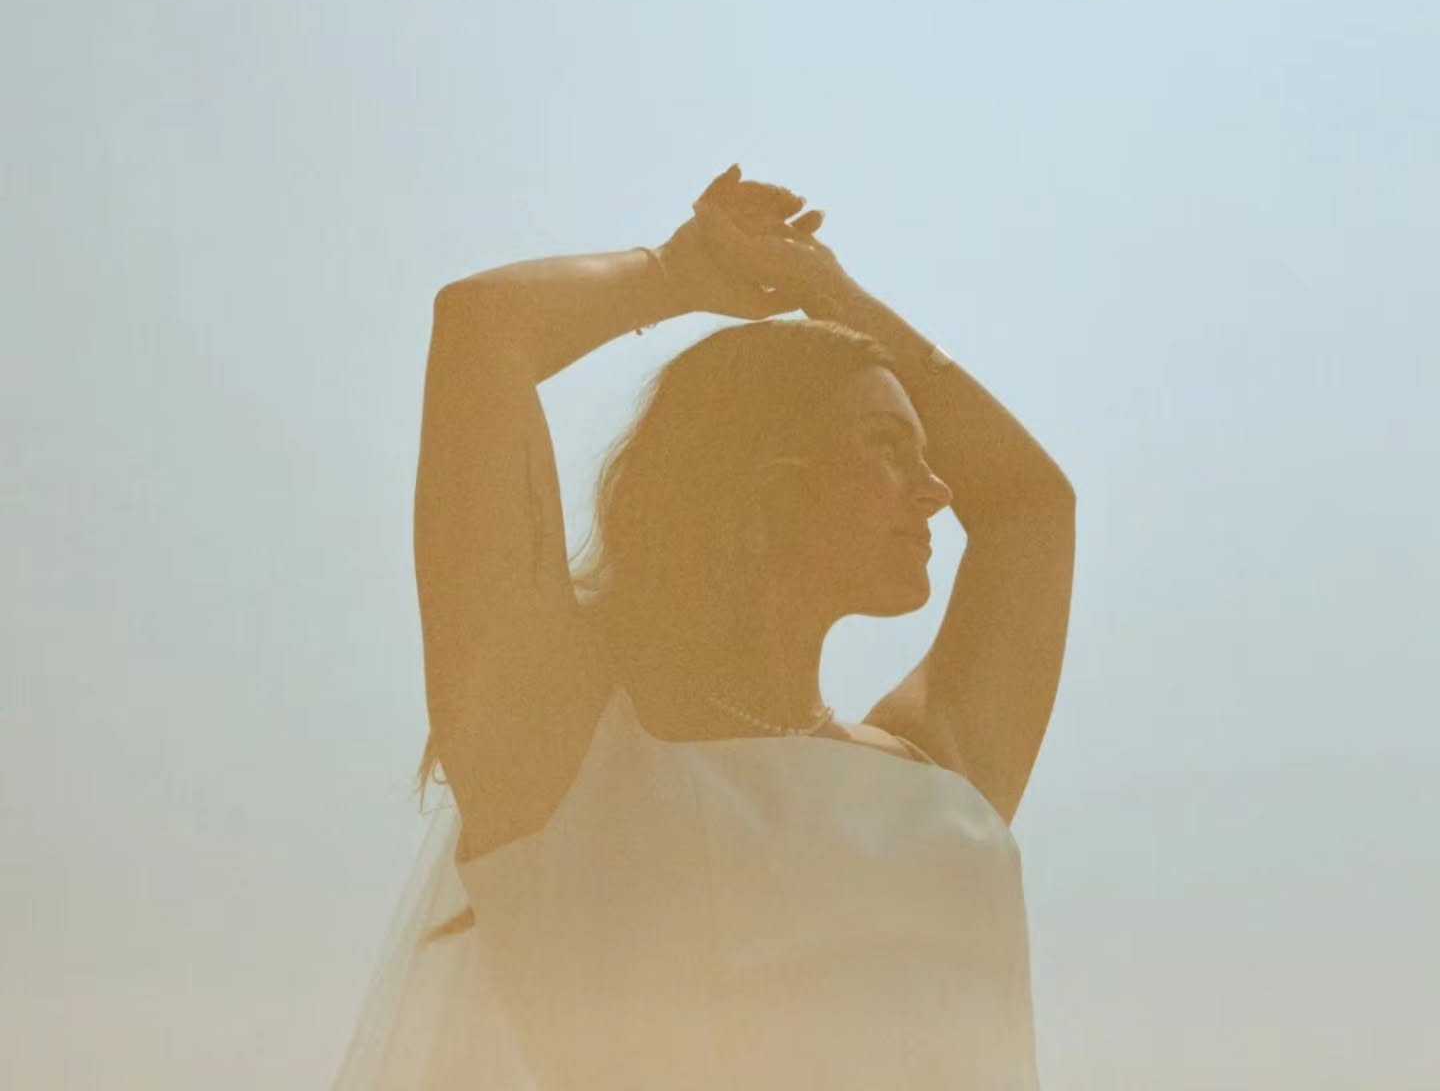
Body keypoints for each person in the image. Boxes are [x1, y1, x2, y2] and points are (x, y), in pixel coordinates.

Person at [329, 165, 1076, 1090]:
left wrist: (828, 296)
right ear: (760, 485)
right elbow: (484, 329)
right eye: (888, 450)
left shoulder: (941, 767)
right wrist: (678, 273)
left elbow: (1030, 506)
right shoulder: (561, 755)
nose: (938, 489)